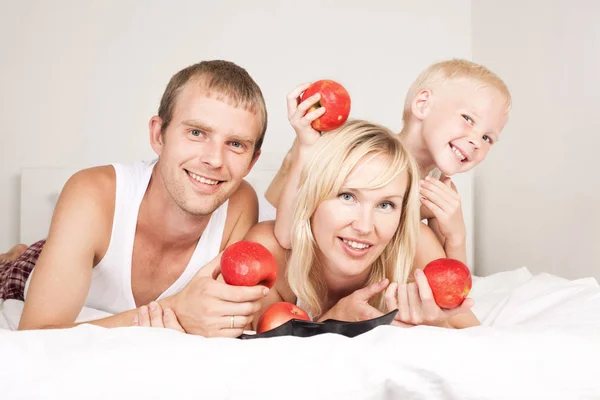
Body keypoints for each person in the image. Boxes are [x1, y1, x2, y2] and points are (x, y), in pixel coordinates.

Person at [1, 60, 271, 338]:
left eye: (236, 144)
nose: (214, 160)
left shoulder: (240, 202)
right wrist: (175, 310)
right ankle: (16, 254)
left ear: (252, 162)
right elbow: (35, 336)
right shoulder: (91, 193)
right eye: (196, 133)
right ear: (158, 135)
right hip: (24, 272)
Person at [137, 120, 479, 330]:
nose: (364, 226)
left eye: (386, 205)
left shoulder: (413, 241)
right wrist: (332, 321)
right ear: (311, 198)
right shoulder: (267, 252)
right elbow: (271, 342)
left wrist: (440, 323)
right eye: (347, 196)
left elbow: (473, 330)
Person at [265, 59, 511, 265]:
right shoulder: (361, 153)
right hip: (315, 274)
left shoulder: (438, 194)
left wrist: (456, 236)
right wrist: (306, 147)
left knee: (420, 240)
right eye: (468, 119)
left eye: (488, 137)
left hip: (371, 285)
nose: (477, 141)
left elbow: (450, 285)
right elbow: (286, 237)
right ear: (423, 105)